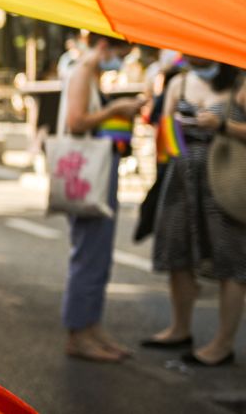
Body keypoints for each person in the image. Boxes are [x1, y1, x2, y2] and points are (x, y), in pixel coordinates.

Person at [144, 58, 246, 366]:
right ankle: (180, 328)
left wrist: (223, 125)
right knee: (177, 252)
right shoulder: (180, 83)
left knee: (231, 260)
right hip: (181, 177)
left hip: (225, 179)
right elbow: (163, 132)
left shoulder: (239, 83)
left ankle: (222, 344)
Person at [59, 33, 145, 362]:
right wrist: (116, 110)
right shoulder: (82, 71)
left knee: (98, 255)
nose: (120, 61)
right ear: (104, 47)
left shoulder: (89, 72)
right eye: (121, 54)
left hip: (96, 174)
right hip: (88, 177)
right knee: (89, 256)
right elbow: (76, 121)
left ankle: (91, 327)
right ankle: (79, 334)